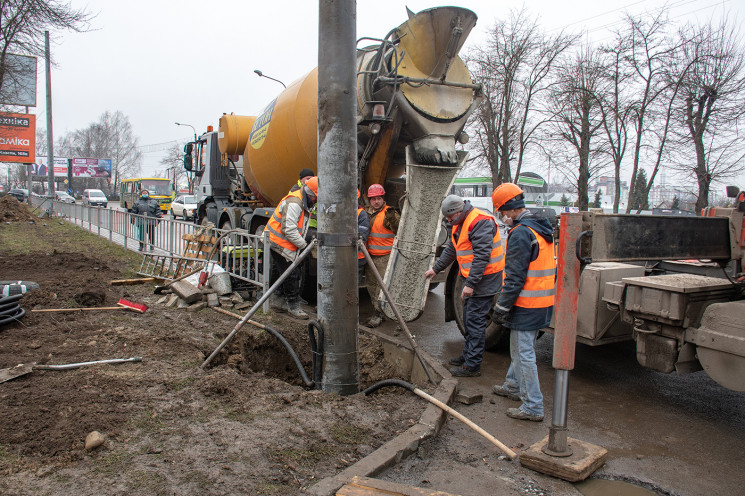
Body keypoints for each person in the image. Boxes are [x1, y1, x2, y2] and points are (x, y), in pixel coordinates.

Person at [490, 182, 556, 422]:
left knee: (523, 351)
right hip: (543, 301)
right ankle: (513, 385)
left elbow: (515, 277)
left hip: (527, 304)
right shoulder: (540, 228)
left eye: (501, 212)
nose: (502, 217)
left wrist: (502, 307)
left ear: (509, 208)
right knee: (520, 348)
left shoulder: (521, 233)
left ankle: (533, 406)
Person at [425, 195, 504, 377]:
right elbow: (453, 249)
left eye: (450, 218)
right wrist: (435, 269)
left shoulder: (480, 222)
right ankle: (468, 355)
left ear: (458, 212)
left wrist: (471, 284)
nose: (449, 222)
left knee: (475, 322)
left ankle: (472, 366)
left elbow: (482, 256)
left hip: (484, 281)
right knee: (469, 319)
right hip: (475, 279)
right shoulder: (461, 223)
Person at [266, 176, 319, 320]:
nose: (316, 201)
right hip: (280, 243)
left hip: (281, 241)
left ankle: (278, 299)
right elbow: (288, 229)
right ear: (311, 194)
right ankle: (293, 305)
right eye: (316, 198)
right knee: (291, 273)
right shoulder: (295, 203)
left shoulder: (303, 200)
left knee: (281, 272)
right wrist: (303, 246)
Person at [364, 183, 400, 327]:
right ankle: (378, 311)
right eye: (373, 199)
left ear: (383, 198)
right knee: (371, 285)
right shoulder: (366, 212)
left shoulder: (389, 213)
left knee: (381, 288)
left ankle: (379, 314)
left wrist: (392, 218)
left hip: (384, 257)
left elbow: (397, 228)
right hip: (370, 256)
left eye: (379, 198)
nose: (376, 201)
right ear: (370, 200)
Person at [357, 189, 370, 283]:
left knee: (353, 287)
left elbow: (362, 237)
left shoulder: (361, 214)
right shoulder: (341, 213)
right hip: (343, 258)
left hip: (357, 258)